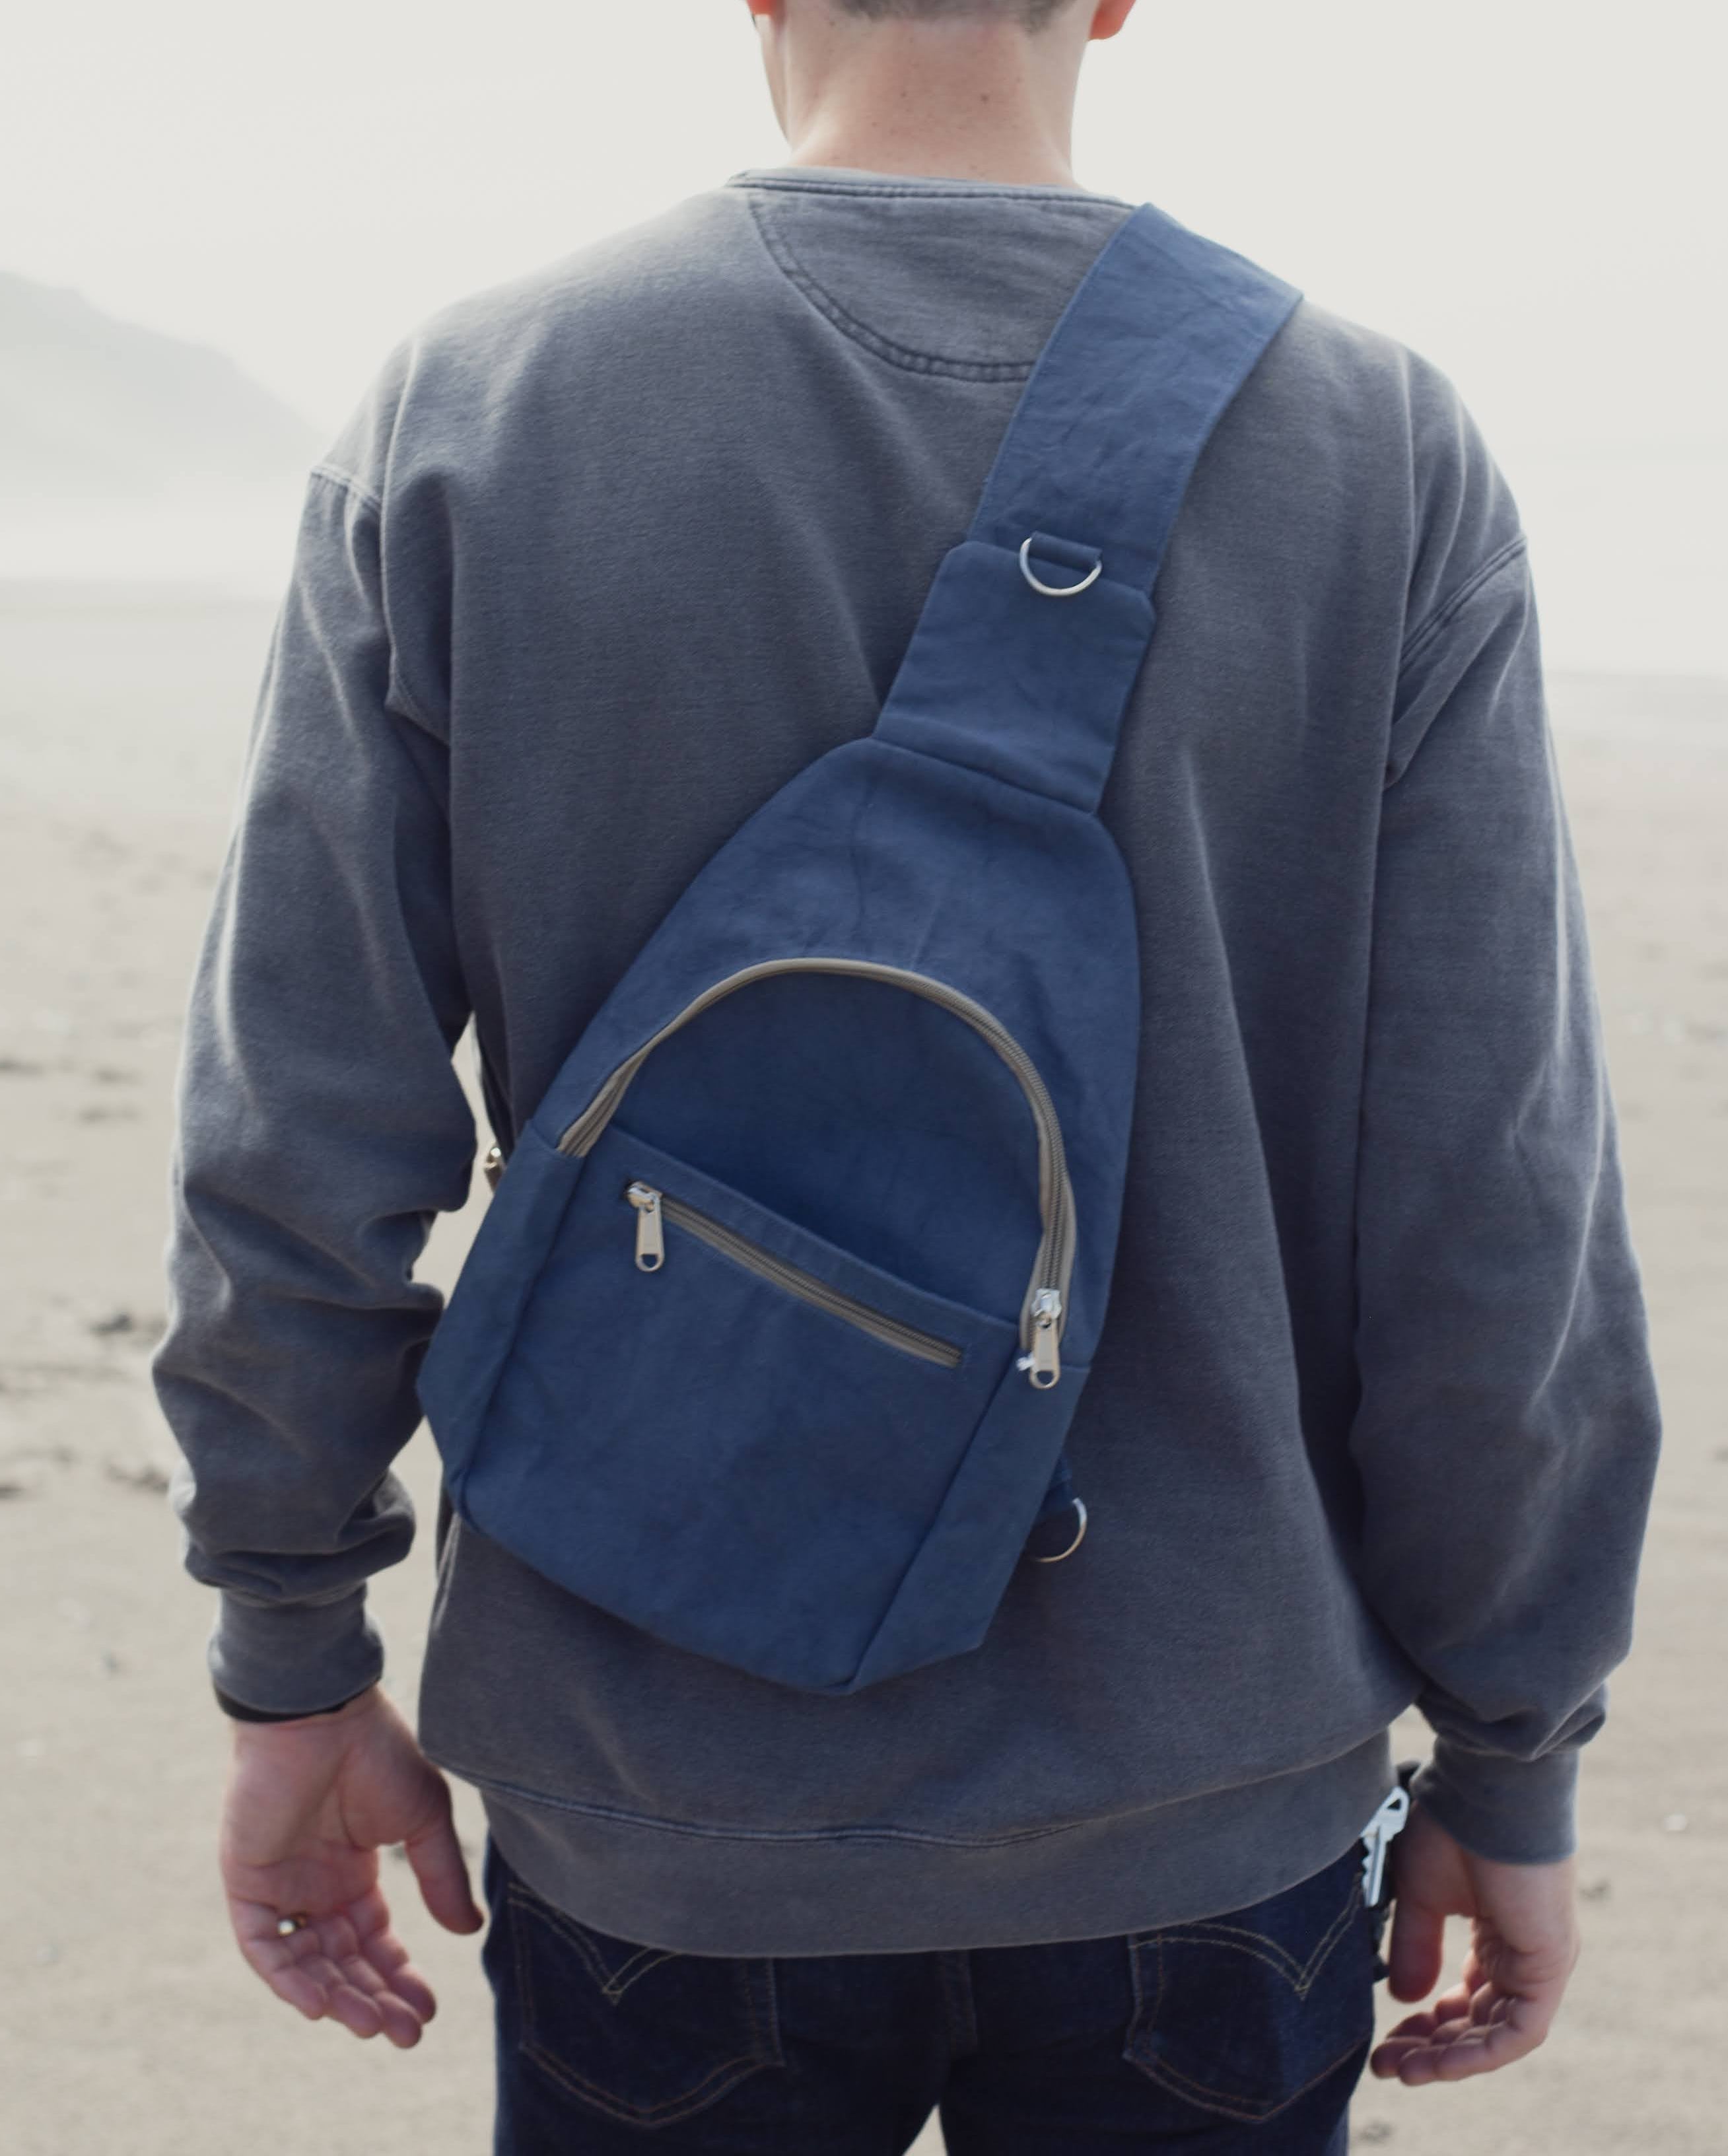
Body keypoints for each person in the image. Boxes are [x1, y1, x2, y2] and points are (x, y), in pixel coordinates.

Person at [152, 1, 1661, 2147]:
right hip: (1197, 1787)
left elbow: (296, 1143)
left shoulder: (476, 411)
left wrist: (292, 1653)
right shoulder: (1375, 447)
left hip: (661, 1777)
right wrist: (1512, 1749)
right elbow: (1488, 1209)